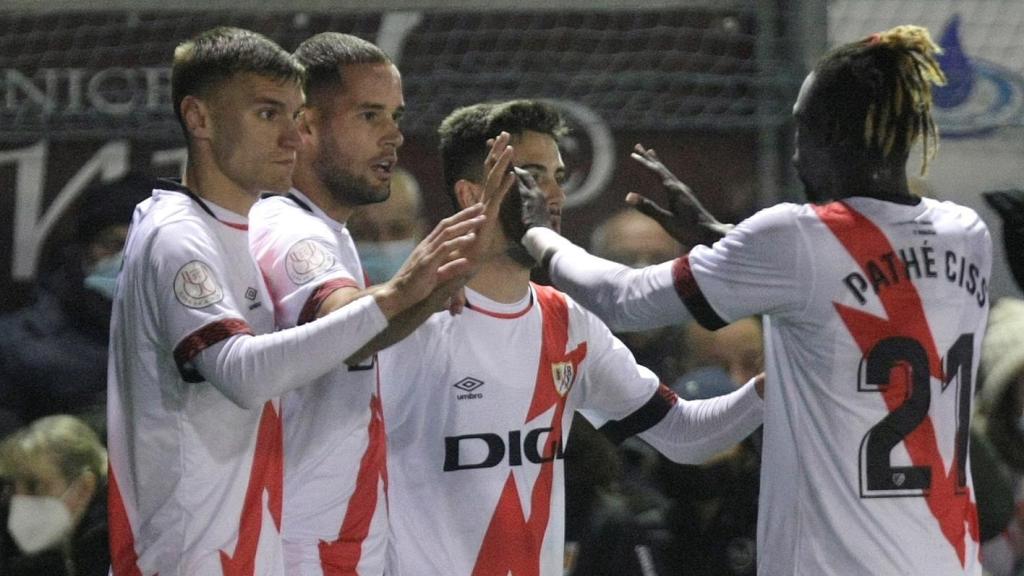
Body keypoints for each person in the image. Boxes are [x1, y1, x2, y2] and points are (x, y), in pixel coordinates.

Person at [514, 26, 991, 574]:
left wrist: (537, 234)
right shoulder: (966, 234)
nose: (794, 149)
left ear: (829, 133)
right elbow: (864, 281)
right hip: (952, 560)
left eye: (801, 126)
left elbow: (624, 300)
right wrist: (727, 243)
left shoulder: (796, 238)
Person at [106, 27, 483, 575]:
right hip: (183, 557)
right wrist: (402, 295)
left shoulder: (228, 229)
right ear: (199, 118)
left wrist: (415, 300)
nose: (290, 136)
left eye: (293, 114)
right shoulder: (177, 235)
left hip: (243, 548)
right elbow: (243, 374)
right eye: (267, 114)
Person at [380, 99, 764, 575]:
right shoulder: (405, 324)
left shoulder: (567, 322)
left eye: (557, 178)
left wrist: (771, 388)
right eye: (531, 177)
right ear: (470, 193)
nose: (554, 196)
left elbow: (685, 435)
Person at [248, 32, 504, 575]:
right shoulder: (289, 229)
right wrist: (414, 284)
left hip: (337, 539)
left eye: (395, 115)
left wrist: (435, 286)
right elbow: (343, 319)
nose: (393, 135)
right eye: (369, 116)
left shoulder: (327, 232)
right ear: (306, 126)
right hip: (299, 548)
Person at [0, 173, 153, 438]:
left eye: (141, 246)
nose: (126, 259)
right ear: (83, 250)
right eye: (113, 244)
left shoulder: (192, 340)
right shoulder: (21, 346)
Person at [0, 415, 109, 576]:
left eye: (34, 486)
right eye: (12, 487)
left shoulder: (117, 551)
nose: (19, 501)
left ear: (84, 487)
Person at [347, 167, 427, 285]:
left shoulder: (449, 301)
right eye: (365, 233)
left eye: (398, 230)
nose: (383, 245)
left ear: (421, 234)